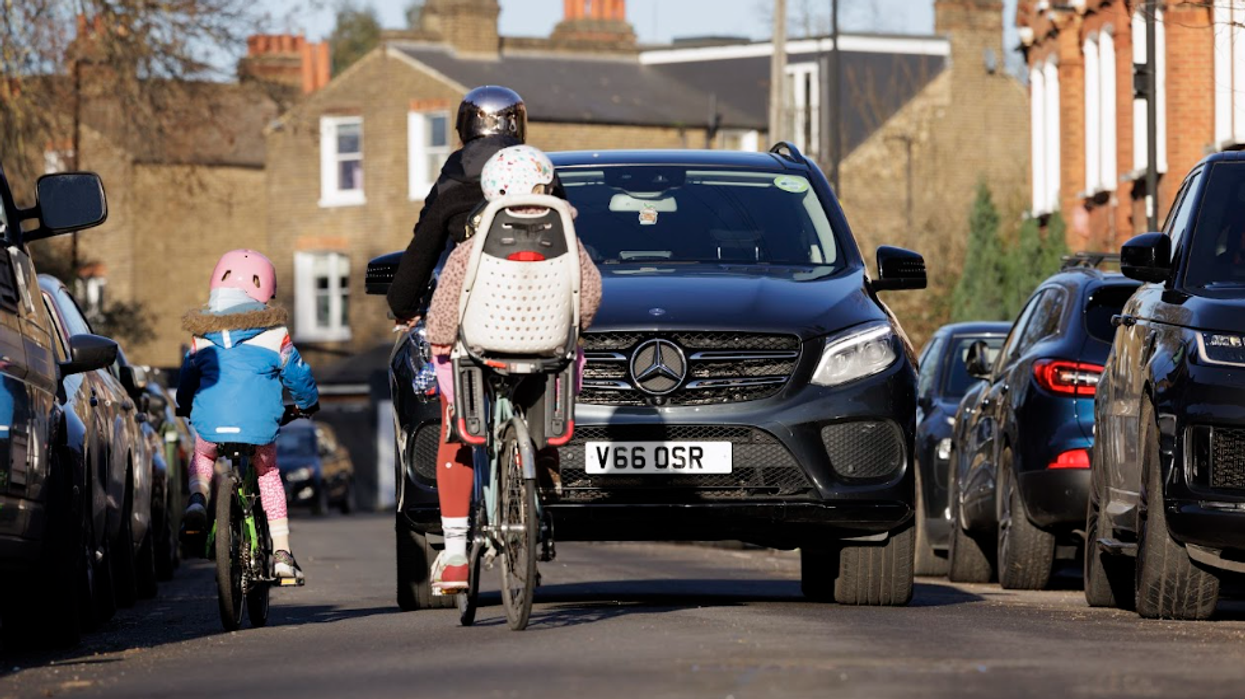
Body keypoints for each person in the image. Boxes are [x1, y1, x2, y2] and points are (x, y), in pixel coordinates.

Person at [423, 145, 602, 595]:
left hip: (486, 350)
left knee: (456, 428)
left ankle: (458, 553)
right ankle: (543, 456)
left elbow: (448, 296)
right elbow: (591, 290)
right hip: (546, 350)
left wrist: (439, 337)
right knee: (560, 363)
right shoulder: (567, 237)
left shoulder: (476, 241)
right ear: (546, 188)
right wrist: (576, 326)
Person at [176, 249, 320, 585]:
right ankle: (282, 553)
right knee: (267, 472)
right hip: (259, 426)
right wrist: (307, 404)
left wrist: (184, 403)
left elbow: (187, 378)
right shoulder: (274, 335)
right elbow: (298, 376)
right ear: (264, 291)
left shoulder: (201, 337)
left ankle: (198, 498)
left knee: (203, 453)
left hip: (211, 423)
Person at [387, 85, 558, 325]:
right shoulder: (543, 174)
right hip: (545, 308)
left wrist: (403, 306)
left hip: (474, 315)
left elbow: (423, 248)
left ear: (464, 127)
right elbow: (571, 241)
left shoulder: (451, 184)